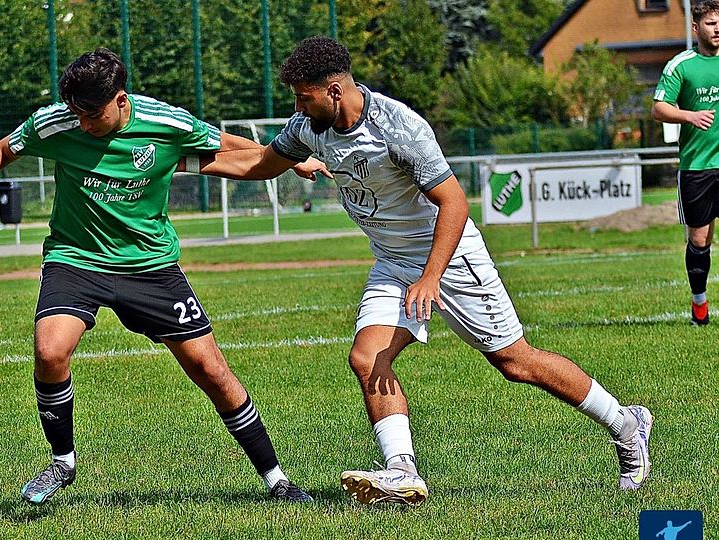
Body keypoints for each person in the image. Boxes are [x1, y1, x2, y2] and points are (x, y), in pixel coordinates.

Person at [199, 36, 654, 505]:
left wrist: (432, 277)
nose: (296, 105)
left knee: (515, 362)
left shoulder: (397, 127)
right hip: (393, 261)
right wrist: (187, 163)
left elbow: (453, 202)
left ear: (334, 91)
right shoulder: (307, 128)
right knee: (367, 357)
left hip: (450, 256)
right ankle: (402, 471)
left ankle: (626, 423)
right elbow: (260, 163)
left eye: (303, 95)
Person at [0, 48, 312, 505]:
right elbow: (2, 150)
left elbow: (224, 146)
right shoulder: (59, 121)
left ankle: (276, 478)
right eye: (76, 113)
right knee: (50, 351)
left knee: (211, 369)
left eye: (91, 113)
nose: (82, 122)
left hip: (150, 266)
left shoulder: (167, 123)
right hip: (77, 257)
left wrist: (289, 159)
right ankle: (62, 461)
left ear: (120, 99)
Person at [652, 0, 719, 326]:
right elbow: (659, 108)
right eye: (710, 23)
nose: (717, 29)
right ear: (696, 28)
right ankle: (699, 303)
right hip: (698, 166)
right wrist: (689, 115)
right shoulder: (681, 65)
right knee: (699, 240)